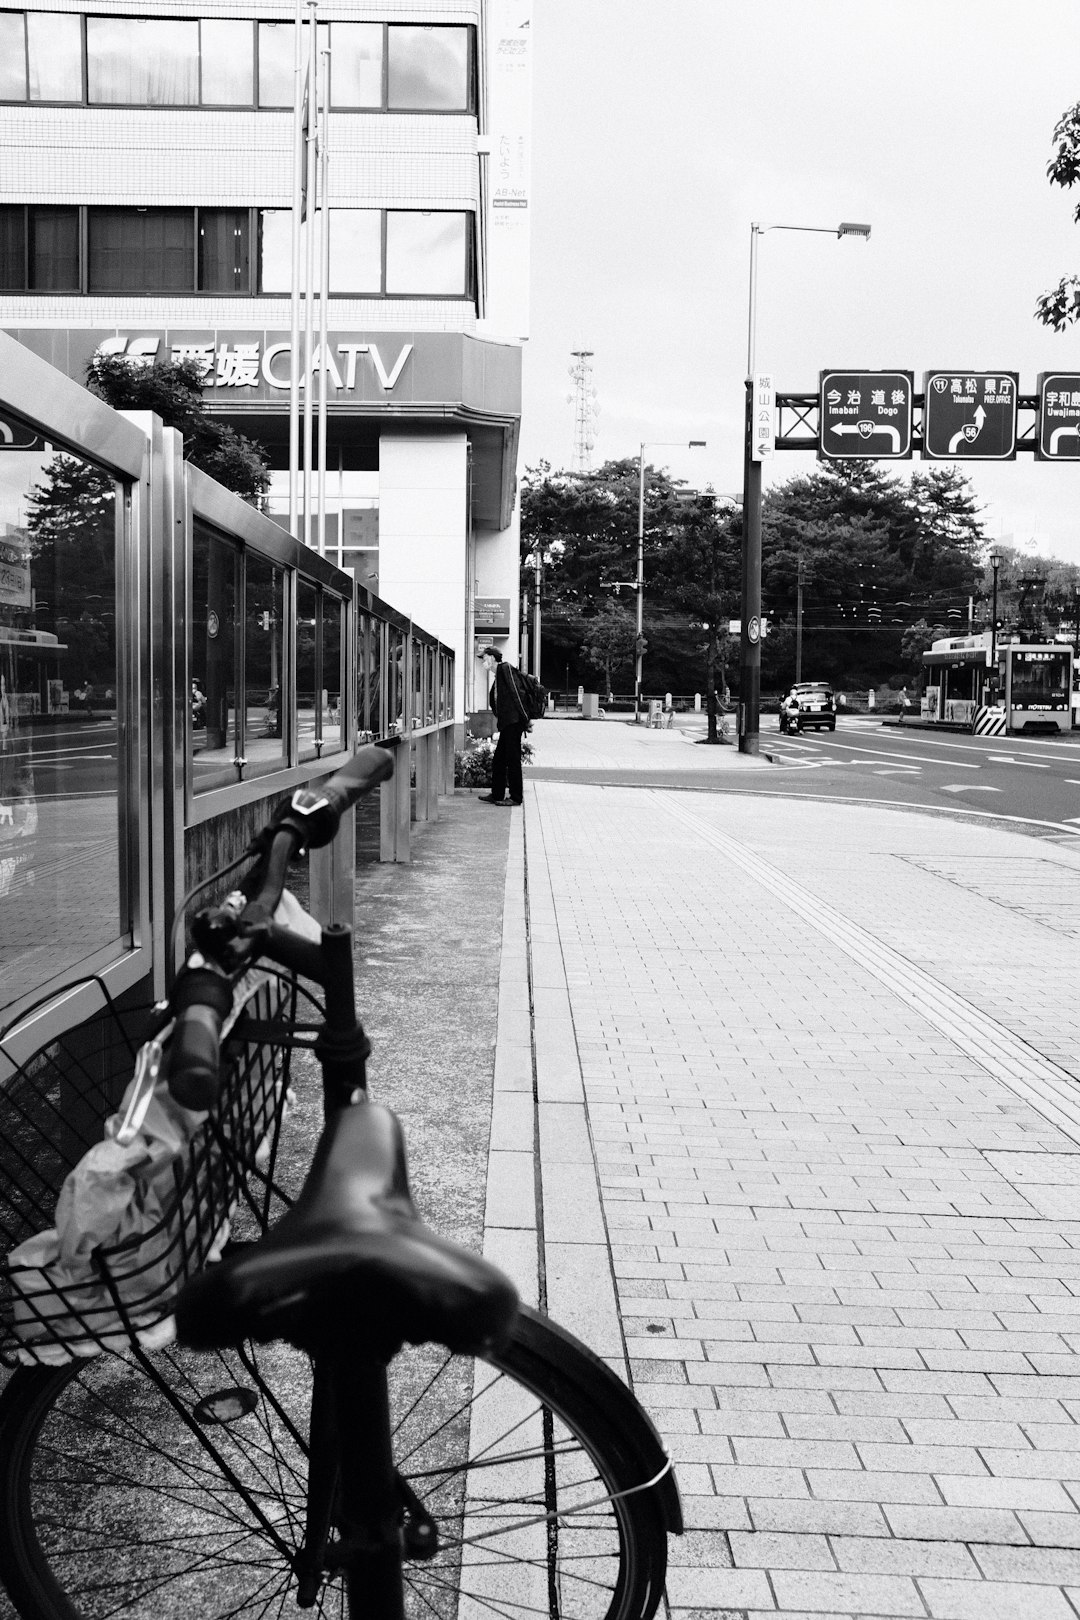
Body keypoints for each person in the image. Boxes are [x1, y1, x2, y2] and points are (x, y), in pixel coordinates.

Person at [476, 645, 529, 806]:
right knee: (499, 759)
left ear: (492, 658)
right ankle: (497, 793)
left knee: (512, 759)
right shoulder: (498, 676)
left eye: (484, 659)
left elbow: (516, 694)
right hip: (507, 724)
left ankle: (516, 797)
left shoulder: (505, 669)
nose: (483, 662)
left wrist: (525, 719)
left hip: (514, 723)